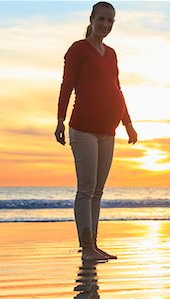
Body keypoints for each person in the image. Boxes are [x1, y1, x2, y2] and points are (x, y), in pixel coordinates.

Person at [55, 1, 137, 261]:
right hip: (83, 129)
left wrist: (128, 123)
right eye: (101, 19)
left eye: (110, 21)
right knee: (86, 189)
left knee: (99, 191)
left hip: (108, 131)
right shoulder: (78, 49)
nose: (105, 25)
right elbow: (66, 86)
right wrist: (59, 120)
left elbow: (117, 88)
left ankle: (94, 245)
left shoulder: (111, 53)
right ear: (91, 19)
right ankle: (87, 247)